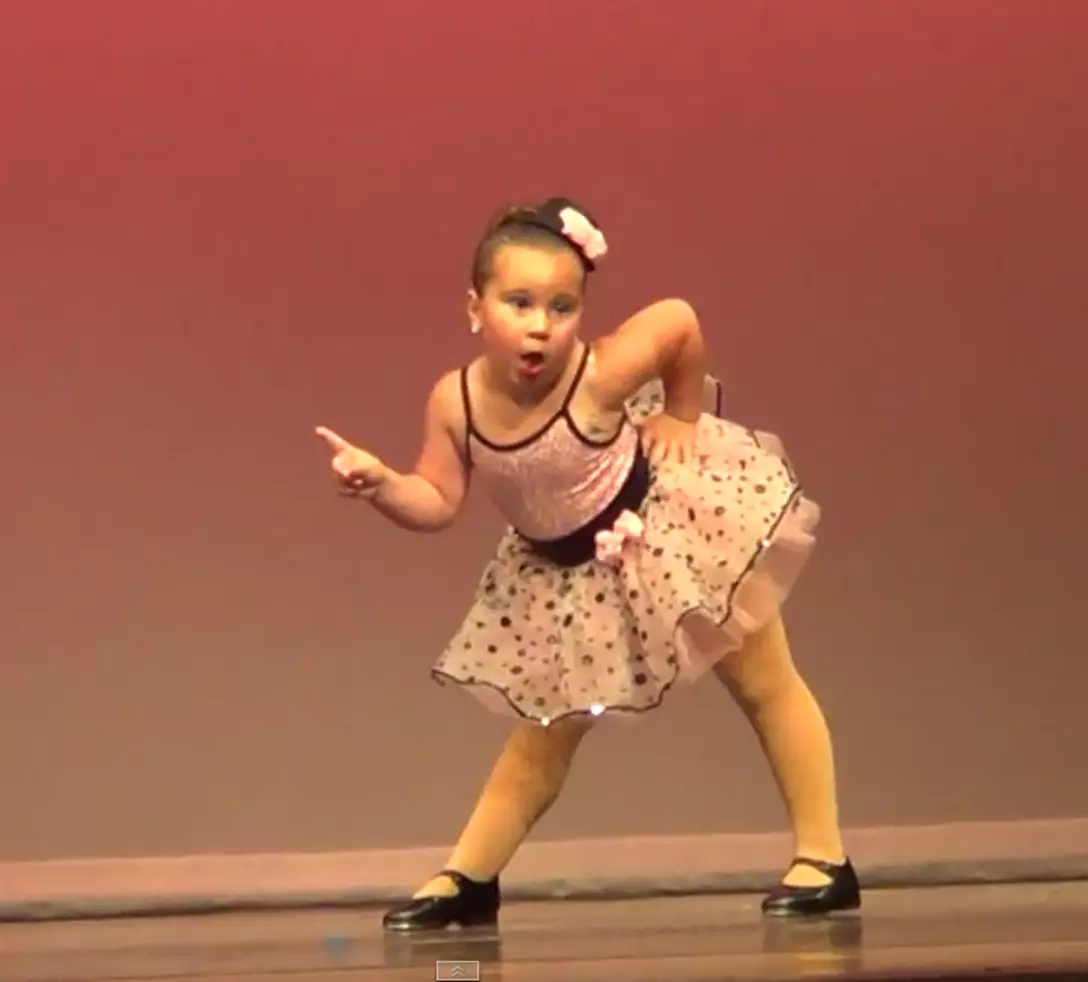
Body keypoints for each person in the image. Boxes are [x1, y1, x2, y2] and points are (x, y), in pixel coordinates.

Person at [315, 197, 859, 931]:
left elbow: (678, 320)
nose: (541, 324)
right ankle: (469, 877)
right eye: (519, 303)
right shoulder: (456, 402)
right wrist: (381, 484)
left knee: (764, 679)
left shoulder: (599, 374)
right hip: (569, 578)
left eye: (561, 306)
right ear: (474, 309)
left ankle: (826, 859)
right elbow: (437, 501)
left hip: (671, 535)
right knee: (544, 730)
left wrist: (682, 413)